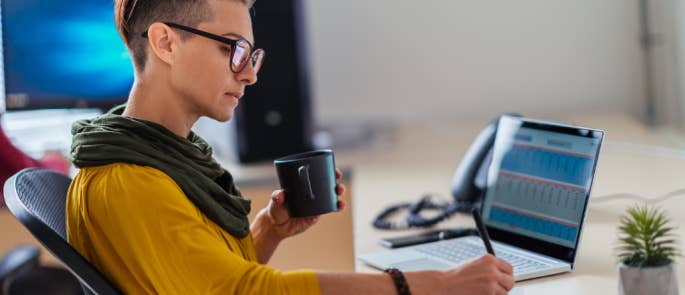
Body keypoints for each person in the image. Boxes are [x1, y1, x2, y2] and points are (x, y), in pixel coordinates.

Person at [66, 0, 515, 294]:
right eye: (234, 51)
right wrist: (433, 284)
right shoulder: (130, 182)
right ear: (165, 42)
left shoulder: (160, 156)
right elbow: (247, 293)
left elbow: (204, 281)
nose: (249, 74)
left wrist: (269, 230)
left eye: (252, 56)